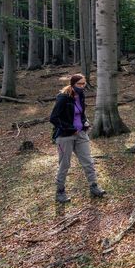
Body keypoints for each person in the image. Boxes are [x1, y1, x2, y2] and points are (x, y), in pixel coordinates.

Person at [50, 74, 106, 203]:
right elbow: (54, 118)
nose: (82, 86)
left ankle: (94, 186)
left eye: (84, 83)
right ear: (73, 84)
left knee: (88, 161)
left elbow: (81, 112)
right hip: (65, 136)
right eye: (79, 84)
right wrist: (69, 129)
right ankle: (60, 192)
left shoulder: (80, 95)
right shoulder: (63, 98)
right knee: (64, 164)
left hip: (81, 134)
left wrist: (84, 121)